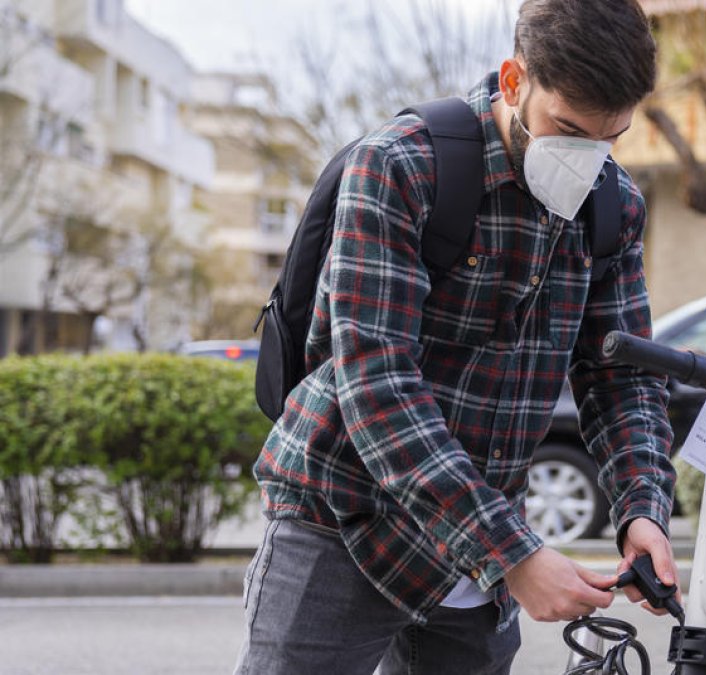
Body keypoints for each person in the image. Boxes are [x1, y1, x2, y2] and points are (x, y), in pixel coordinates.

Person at [233, 2, 677, 673]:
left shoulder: (614, 206)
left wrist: (641, 506)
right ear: (512, 80)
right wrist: (516, 555)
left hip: (477, 546)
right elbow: (377, 384)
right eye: (566, 129)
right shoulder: (400, 167)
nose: (587, 159)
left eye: (608, 137)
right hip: (345, 517)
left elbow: (623, 376)